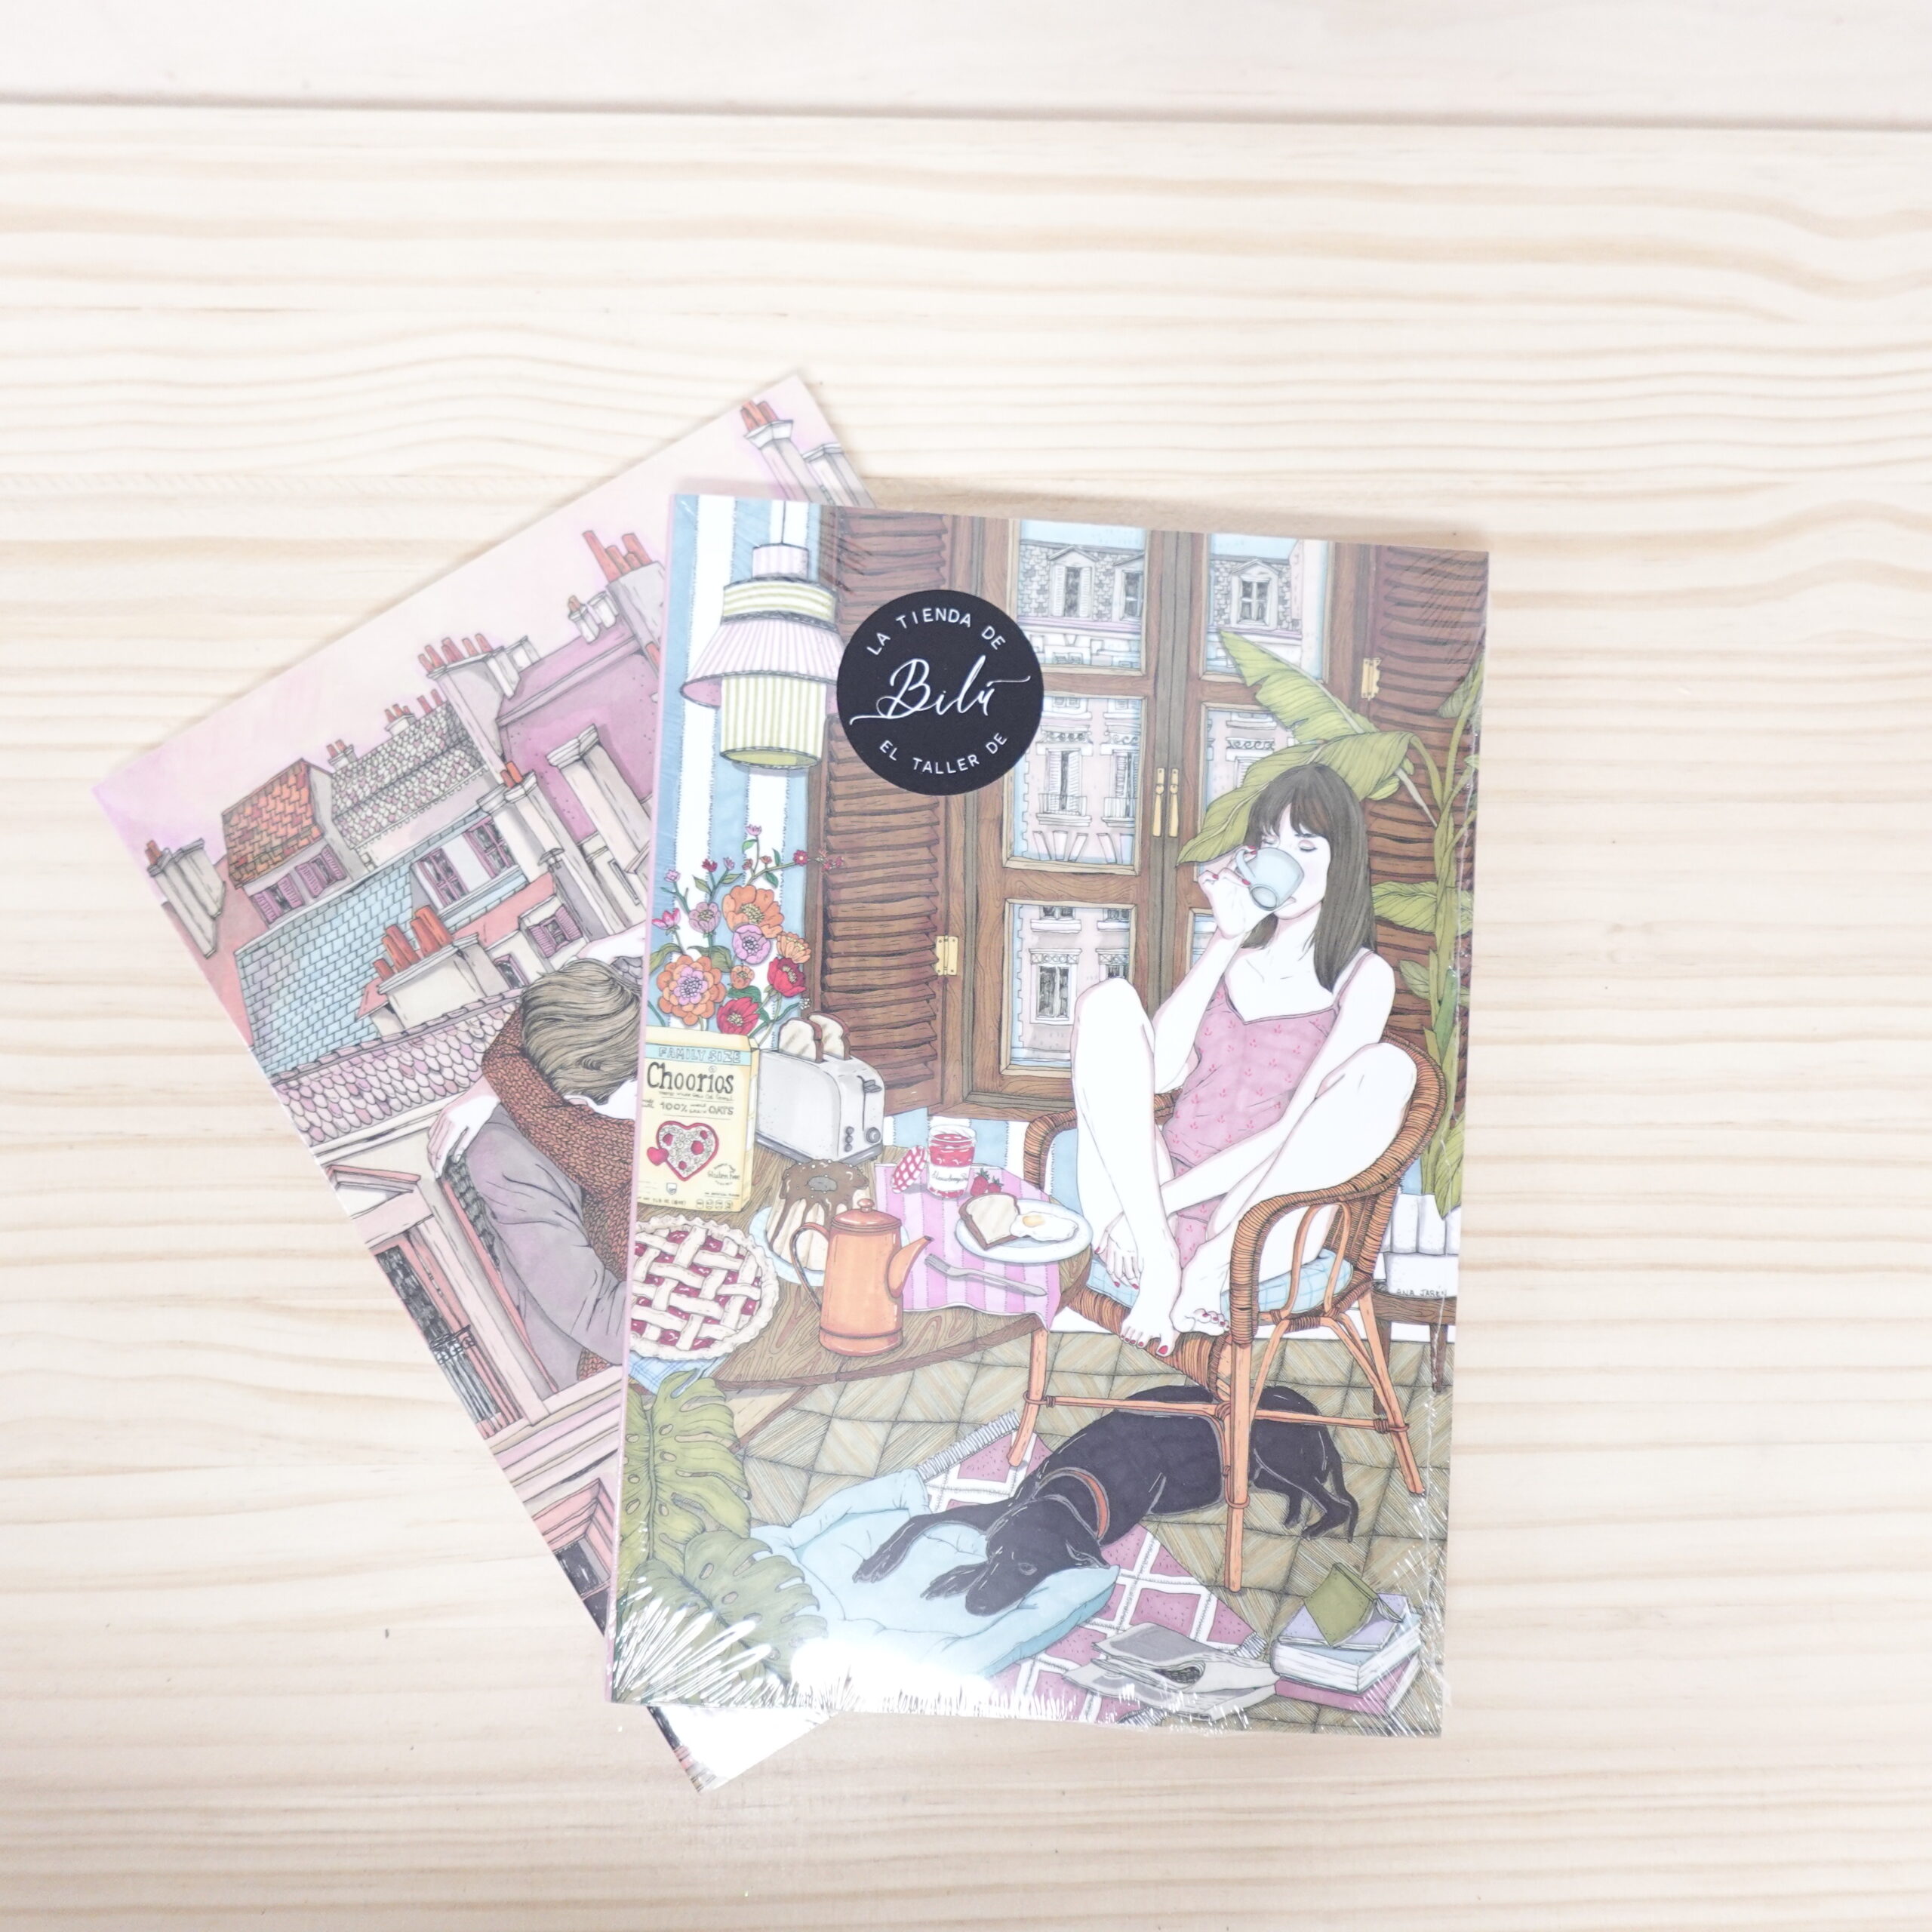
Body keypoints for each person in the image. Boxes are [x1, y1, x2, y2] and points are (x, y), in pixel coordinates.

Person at [1070, 763, 1416, 1358]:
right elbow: (1158, 1074)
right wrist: (1226, 937)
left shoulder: (1363, 976)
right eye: (1272, 844)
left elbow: (1293, 1134)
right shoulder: (1236, 956)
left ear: (1343, 859)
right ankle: (1162, 1268)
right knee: (1107, 1002)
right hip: (1149, 1197)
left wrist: (1162, 1208)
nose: (1286, 862)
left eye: (1307, 846)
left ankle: (1203, 1270)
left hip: (1257, 1216)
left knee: (1390, 1069)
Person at [429, 951, 641, 1390]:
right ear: (582, 1100)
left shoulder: (591, 1091)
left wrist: (591, 957)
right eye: (641, 1081)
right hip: (612, 1363)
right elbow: (603, 1318)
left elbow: (514, 1053)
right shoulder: (509, 1158)